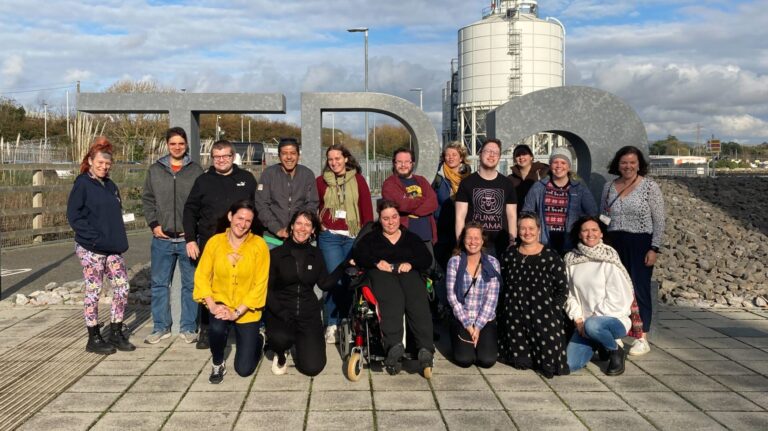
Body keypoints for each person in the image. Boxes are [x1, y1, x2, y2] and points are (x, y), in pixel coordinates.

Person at [183, 139, 258, 349]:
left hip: (241, 242)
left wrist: (255, 242)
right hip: (211, 243)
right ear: (212, 158)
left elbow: (255, 211)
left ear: (233, 157)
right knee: (209, 285)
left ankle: (242, 325)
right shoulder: (203, 181)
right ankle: (207, 329)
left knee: (242, 281)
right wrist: (190, 239)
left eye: (225, 156)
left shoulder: (247, 178)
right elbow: (190, 210)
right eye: (217, 157)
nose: (221, 160)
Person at [67, 136, 135, 354]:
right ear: (90, 160)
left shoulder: (111, 185)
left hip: (113, 248)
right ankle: (93, 336)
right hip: (91, 248)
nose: (104, 167)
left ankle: (115, 330)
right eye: (100, 163)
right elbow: (74, 216)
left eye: (107, 164)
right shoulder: (82, 184)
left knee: (122, 287)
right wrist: (93, 237)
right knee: (94, 291)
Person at [352, 200, 435, 377]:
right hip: (381, 273)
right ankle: (393, 346)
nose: (391, 222)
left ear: (400, 218)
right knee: (392, 298)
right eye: (386, 218)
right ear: (379, 220)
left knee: (417, 298)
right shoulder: (371, 238)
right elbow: (359, 255)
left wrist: (411, 263)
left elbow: (426, 259)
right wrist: (376, 262)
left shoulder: (411, 238)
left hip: (407, 272)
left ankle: (425, 349)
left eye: (394, 217)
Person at [193, 200, 269, 384]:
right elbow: (202, 276)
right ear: (230, 216)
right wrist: (211, 305)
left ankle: (259, 339)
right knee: (217, 327)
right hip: (220, 303)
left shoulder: (259, 245)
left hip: (246, 309)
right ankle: (218, 362)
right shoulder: (214, 242)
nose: (242, 224)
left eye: (248, 221)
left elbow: (260, 284)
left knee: (244, 370)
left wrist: (236, 312)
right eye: (239, 218)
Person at [601, 146, 665, 356]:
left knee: (639, 289)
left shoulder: (649, 187)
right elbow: (603, 215)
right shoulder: (609, 186)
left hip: (640, 242)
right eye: (623, 162)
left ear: (639, 164)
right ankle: (617, 332)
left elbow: (659, 220)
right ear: (617, 164)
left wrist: (654, 248)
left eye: (632, 162)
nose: (628, 166)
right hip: (614, 242)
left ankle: (642, 337)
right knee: (615, 289)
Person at [142, 127, 203, 344]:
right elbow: (148, 199)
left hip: (188, 239)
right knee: (159, 284)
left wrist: (193, 229)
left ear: (186, 145)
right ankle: (161, 327)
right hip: (162, 239)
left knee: (191, 284)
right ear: (167, 145)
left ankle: (188, 327)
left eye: (181, 143)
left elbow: (201, 202)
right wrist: (153, 223)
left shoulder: (196, 170)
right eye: (173, 143)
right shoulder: (155, 170)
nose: (177, 147)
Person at [266, 210, 346, 376]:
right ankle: (281, 354)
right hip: (281, 312)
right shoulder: (276, 254)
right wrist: (280, 312)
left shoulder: (316, 254)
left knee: (312, 368)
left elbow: (324, 284)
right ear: (292, 226)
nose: (302, 228)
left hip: (308, 314)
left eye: (307, 225)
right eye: (299, 223)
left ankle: (300, 342)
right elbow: (266, 290)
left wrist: (343, 266)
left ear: (313, 231)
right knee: (281, 339)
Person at [497, 213, 569, 378]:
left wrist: (552, 311)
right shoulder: (509, 255)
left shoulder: (551, 257)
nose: (527, 232)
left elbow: (562, 289)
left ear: (538, 230)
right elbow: (502, 284)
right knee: (522, 362)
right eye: (522, 228)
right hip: (514, 314)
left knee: (550, 361)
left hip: (542, 314)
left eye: (531, 228)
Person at [316, 144, 374, 343]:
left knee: (351, 279)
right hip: (330, 237)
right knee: (334, 279)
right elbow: (313, 206)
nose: (334, 163)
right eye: (330, 159)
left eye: (337, 158)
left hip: (353, 236)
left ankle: (347, 320)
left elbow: (366, 209)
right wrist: (319, 225)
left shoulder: (358, 180)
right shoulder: (321, 181)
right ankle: (332, 322)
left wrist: (365, 237)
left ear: (346, 159)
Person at [565, 216, 634, 376]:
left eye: (594, 230)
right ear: (579, 235)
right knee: (570, 364)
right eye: (585, 230)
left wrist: (591, 321)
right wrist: (579, 320)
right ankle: (600, 343)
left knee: (594, 326)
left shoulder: (609, 259)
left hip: (612, 320)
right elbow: (570, 295)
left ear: (601, 234)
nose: (590, 234)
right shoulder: (571, 260)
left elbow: (620, 298)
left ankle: (616, 350)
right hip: (584, 326)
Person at [522, 147, 597, 255]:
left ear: (569, 166)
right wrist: (534, 232)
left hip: (571, 243)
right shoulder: (539, 187)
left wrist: (581, 232)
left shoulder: (579, 188)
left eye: (563, 162)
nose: (559, 166)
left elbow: (592, 213)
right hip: (543, 242)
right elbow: (526, 212)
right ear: (550, 165)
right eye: (555, 162)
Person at [445, 223, 500, 368]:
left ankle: (481, 341)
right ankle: (459, 341)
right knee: (465, 360)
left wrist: (478, 327)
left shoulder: (493, 263)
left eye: (477, 238)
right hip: (463, 318)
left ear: (483, 241)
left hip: (485, 319)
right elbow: (452, 297)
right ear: (463, 240)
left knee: (487, 360)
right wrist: (469, 326)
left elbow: (492, 300)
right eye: (469, 238)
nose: (473, 242)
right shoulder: (454, 262)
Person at [455, 139, 517, 258]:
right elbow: (460, 216)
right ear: (480, 154)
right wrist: (459, 242)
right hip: (474, 244)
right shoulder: (467, 183)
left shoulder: (507, 184)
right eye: (488, 151)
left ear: (499, 157)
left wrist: (512, 241)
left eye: (496, 152)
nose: (492, 155)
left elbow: (512, 215)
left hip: (501, 244)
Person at [254, 137, 319, 249]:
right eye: (284, 153)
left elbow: (312, 204)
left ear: (298, 155)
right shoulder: (268, 174)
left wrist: (298, 228)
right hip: (273, 239)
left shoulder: (307, 174)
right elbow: (261, 205)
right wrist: (277, 229)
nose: (289, 157)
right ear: (279, 156)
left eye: (293, 153)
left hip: (301, 237)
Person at [432, 142, 472, 304]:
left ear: (461, 158)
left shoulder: (470, 177)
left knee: (462, 268)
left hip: (464, 229)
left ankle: (462, 301)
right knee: (443, 269)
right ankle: (444, 304)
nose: (450, 158)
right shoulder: (438, 178)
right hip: (443, 229)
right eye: (447, 155)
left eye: (454, 154)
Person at [382, 147, 439, 254]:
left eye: (407, 162)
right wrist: (421, 199)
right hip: (403, 238)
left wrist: (411, 203)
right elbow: (402, 205)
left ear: (412, 163)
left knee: (428, 269)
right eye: (399, 162)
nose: (403, 165)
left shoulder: (421, 180)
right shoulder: (389, 184)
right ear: (394, 164)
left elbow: (433, 203)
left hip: (426, 236)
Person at [508, 144, 549, 210]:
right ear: (515, 159)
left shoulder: (543, 173)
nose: (521, 157)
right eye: (518, 155)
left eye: (524, 154)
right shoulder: (510, 179)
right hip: (518, 217)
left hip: (537, 216)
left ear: (531, 157)